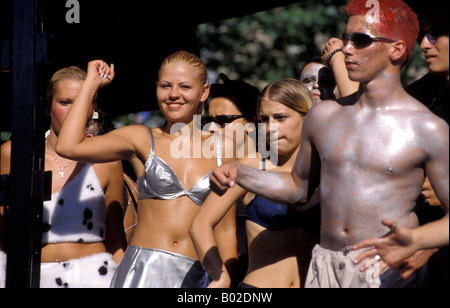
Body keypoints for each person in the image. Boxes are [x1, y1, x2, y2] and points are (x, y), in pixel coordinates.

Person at [210, 0, 449, 288]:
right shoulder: (322, 116)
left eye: (360, 40)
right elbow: (297, 189)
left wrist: (418, 240)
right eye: (347, 38)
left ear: (396, 50)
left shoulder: (426, 127)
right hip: (324, 267)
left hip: (386, 268)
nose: (346, 48)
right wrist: (240, 172)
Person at [55, 51, 238, 288]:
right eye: (165, 86)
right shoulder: (140, 138)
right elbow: (68, 146)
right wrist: (91, 84)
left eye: (184, 86)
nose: (174, 94)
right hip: (142, 273)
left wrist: (225, 282)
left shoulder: (226, 148)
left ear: (204, 92)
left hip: (201, 276)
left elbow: (225, 230)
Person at [0, 66, 127, 288]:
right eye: (65, 102)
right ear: (48, 107)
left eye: (82, 102)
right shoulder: (14, 154)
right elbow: (1, 233)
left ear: (93, 109)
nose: (73, 110)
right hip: (34, 277)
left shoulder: (107, 160)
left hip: (96, 277)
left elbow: (116, 238)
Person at [191, 79, 320, 288]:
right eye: (264, 119)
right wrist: (220, 276)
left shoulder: (326, 170)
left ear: (308, 118)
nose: (271, 128)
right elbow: (200, 224)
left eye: (280, 118)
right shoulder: (251, 165)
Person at [205, 73, 260, 158]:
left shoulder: (273, 169)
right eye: (208, 121)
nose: (210, 128)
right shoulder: (202, 168)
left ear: (251, 123)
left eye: (221, 119)